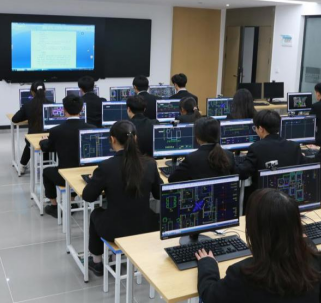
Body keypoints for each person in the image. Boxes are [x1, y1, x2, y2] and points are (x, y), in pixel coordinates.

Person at [196, 188, 321, 303]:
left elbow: (209, 296)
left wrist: (207, 264)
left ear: (255, 229)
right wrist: (304, 241)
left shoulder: (243, 275)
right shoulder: (316, 262)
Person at [83, 120, 161, 276]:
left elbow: (88, 196)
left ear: (112, 139)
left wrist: (96, 182)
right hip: (146, 226)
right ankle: (115, 257)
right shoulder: (150, 164)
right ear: (135, 138)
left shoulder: (106, 167)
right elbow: (159, 194)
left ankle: (97, 261)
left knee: (96, 214)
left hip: (115, 230)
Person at [39, 95, 95, 218]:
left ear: (64, 110)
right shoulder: (92, 129)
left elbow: (47, 148)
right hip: (87, 175)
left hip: (65, 177)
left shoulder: (56, 131)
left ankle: (54, 206)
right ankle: (71, 200)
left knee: (46, 172)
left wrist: (43, 141)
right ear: (81, 109)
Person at [237, 110, 305, 205]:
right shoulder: (294, 146)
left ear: (261, 129)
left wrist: (231, 161)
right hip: (288, 197)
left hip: (264, 199)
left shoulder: (256, 148)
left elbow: (243, 172)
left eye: (255, 127)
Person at [169, 117, 235, 183]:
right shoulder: (229, 155)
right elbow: (238, 175)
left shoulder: (192, 158)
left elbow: (172, 179)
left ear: (197, 137)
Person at [12, 81, 52, 174]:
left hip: (32, 138)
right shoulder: (51, 104)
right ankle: (47, 168)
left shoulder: (27, 105)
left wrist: (28, 117)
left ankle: (22, 166)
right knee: (46, 142)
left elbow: (15, 119)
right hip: (49, 139)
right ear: (45, 91)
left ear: (32, 92)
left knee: (30, 143)